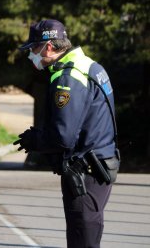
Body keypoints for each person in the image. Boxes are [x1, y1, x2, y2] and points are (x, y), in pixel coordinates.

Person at [14, 19, 120, 248]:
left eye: (33, 48)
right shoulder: (91, 66)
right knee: (89, 236)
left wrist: (36, 140)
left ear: (48, 46)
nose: (31, 54)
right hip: (100, 166)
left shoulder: (68, 78)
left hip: (85, 173)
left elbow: (63, 137)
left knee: (82, 240)